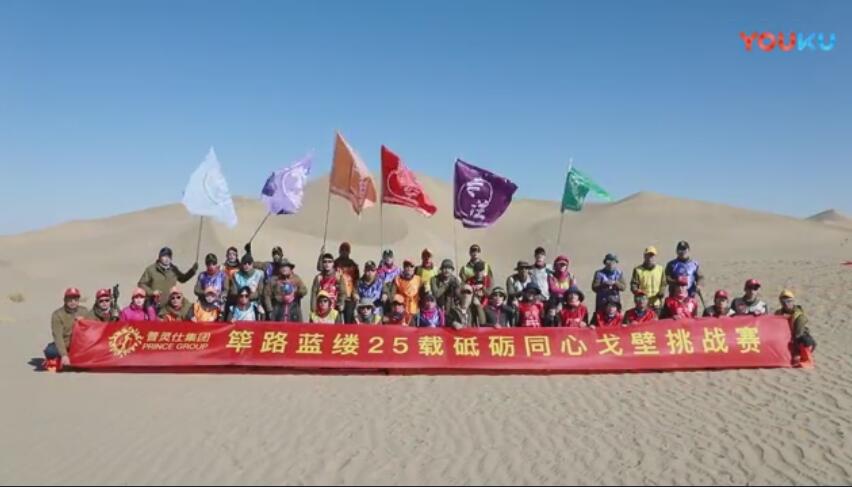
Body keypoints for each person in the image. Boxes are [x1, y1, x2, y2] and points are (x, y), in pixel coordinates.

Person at [44, 288, 89, 370]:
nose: (73, 302)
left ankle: (73, 361)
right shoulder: (57, 315)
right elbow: (58, 337)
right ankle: (67, 359)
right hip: (65, 344)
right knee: (50, 351)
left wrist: (85, 321)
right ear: (65, 300)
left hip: (80, 345)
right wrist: (64, 354)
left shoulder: (84, 311)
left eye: (75, 299)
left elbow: (94, 327)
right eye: (70, 299)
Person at [775, 290, 816, 367]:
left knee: (804, 340)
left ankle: (805, 358)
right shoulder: (778, 313)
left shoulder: (799, 316)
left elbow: (798, 333)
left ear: (793, 301)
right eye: (783, 301)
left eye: (789, 301)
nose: (786, 303)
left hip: (797, 339)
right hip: (784, 339)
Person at [630, 246, 666, 313]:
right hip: (643, 305)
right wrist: (638, 292)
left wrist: (662, 291)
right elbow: (634, 285)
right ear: (644, 256)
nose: (650, 258)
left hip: (656, 304)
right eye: (648, 255)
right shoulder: (638, 270)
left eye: (652, 256)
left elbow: (663, 283)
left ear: (655, 257)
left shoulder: (660, 269)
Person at [333, 242, 360, 323]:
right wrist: (322, 255)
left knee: (349, 319)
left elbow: (357, 280)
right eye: (342, 250)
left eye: (346, 250)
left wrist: (355, 292)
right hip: (338, 296)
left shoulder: (353, 265)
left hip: (350, 297)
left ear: (349, 252)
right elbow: (322, 269)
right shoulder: (335, 264)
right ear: (339, 251)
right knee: (337, 320)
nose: (344, 252)